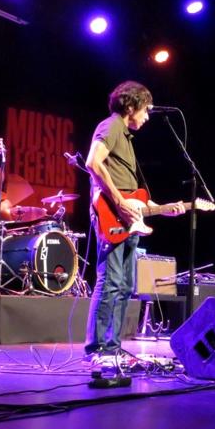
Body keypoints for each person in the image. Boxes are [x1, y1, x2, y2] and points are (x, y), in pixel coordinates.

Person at [84, 80, 185, 356]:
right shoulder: (112, 125)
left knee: (125, 284)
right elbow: (93, 163)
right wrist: (118, 201)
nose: (148, 116)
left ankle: (112, 347)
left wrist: (163, 207)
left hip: (126, 218)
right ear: (130, 105)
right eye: (146, 110)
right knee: (110, 281)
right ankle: (98, 348)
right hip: (111, 214)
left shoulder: (125, 136)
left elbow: (134, 195)